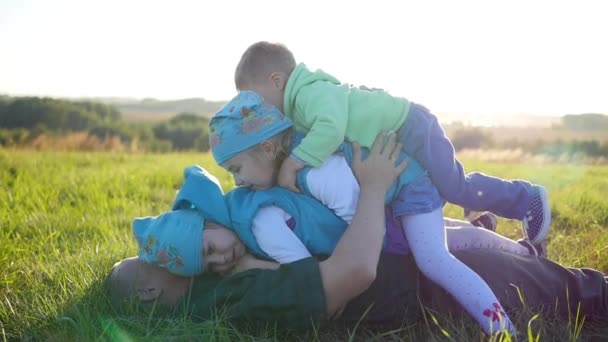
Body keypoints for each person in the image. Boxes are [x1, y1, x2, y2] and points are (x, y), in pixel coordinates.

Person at [106, 142, 607, 332]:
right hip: (416, 280)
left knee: (482, 247)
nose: (169, 256)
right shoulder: (235, 293)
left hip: (405, 249)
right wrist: (372, 187)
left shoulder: (220, 267)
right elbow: (355, 271)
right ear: (150, 291)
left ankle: (489, 234)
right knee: (564, 287)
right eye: (153, 261)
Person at [209, 92, 538, 334]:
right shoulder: (296, 162)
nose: (236, 181)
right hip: (390, 196)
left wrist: (340, 274)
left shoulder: (315, 171)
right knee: (448, 237)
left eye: (236, 168)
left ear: (267, 148)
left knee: (433, 259)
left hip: (408, 186)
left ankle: (501, 328)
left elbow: (364, 225)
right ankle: (524, 251)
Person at [231, 41, 550, 246]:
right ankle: (481, 223)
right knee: (421, 201)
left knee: (453, 185)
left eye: (255, 99)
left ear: (276, 81)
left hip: (411, 126)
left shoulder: (308, 94)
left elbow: (330, 128)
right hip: (396, 136)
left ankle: (526, 198)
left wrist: (293, 162)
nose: (258, 108)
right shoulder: (299, 101)